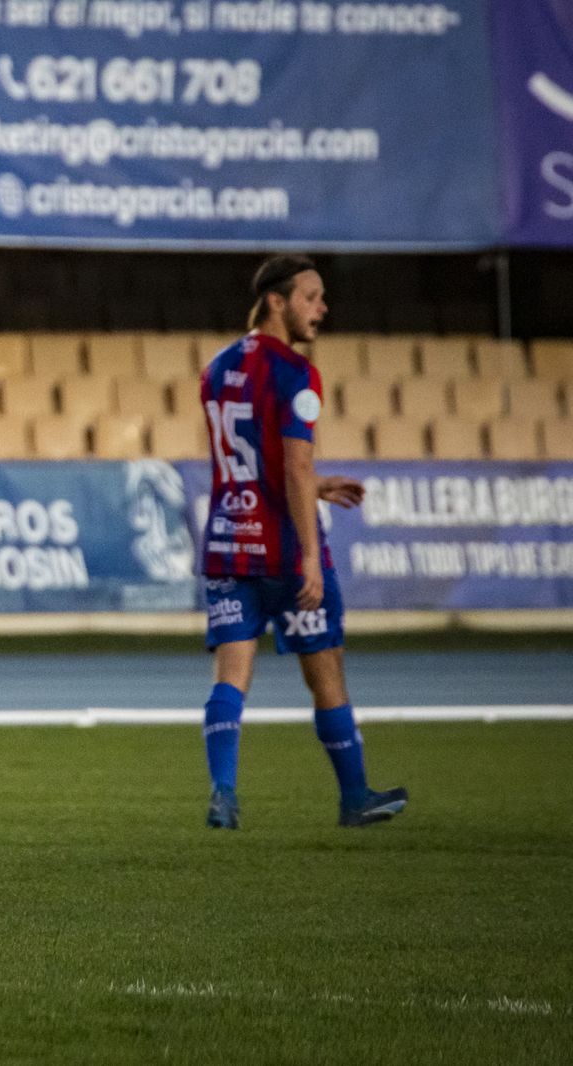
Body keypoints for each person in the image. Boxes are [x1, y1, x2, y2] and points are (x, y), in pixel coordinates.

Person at [198, 254, 407, 831]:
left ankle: (223, 792)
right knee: (326, 673)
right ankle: (354, 796)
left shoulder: (216, 368)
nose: (322, 308)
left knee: (231, 675)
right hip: (283, 550)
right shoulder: (296, 373)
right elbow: (291, 468)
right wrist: (310, 555)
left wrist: (318, 481)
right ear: (276, 301)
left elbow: (250, 462)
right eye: (311, 297)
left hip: (227, 540)